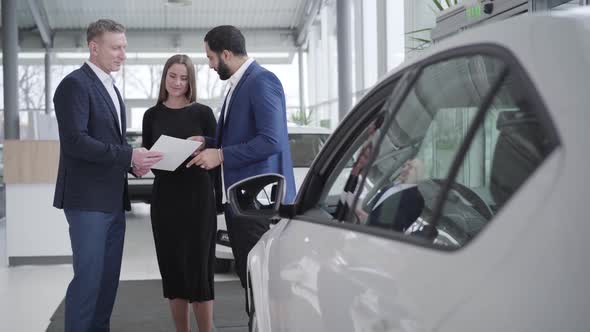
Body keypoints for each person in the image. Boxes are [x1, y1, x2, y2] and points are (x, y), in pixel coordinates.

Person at [52, 19, 163, 332]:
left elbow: (110, 143)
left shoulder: (111, 88)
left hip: (113, 199)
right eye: (116, 47)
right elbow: (75, 142)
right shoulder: (74, 85)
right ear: (94, 47)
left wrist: (133, 164)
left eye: (124, 47)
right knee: (88, 280)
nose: (122, 54)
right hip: (87, 201)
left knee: (107, 279)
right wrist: (128, 155)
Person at [186, 25, 296, 291]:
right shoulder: (240, 84)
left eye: (211, 58)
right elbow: (244, 137)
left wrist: (221, 154)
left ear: (225, 54)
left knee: (261, 286)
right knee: (251, 283)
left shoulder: (261, 81)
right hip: (243, 200)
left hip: (257, 202)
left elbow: (272, 140)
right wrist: (208, 143)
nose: (210, 65)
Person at [141, 54, 219, 332]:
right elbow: (149, 160)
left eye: (183, 78)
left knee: (200, 273)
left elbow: (218, 153)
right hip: (165, 202)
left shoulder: (203, 114)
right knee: (173, 273)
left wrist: (205, 144)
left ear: (191, 82)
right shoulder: (151, 115)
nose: (177, 82)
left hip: (198, 200)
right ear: (164, 77)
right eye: (172, 76)